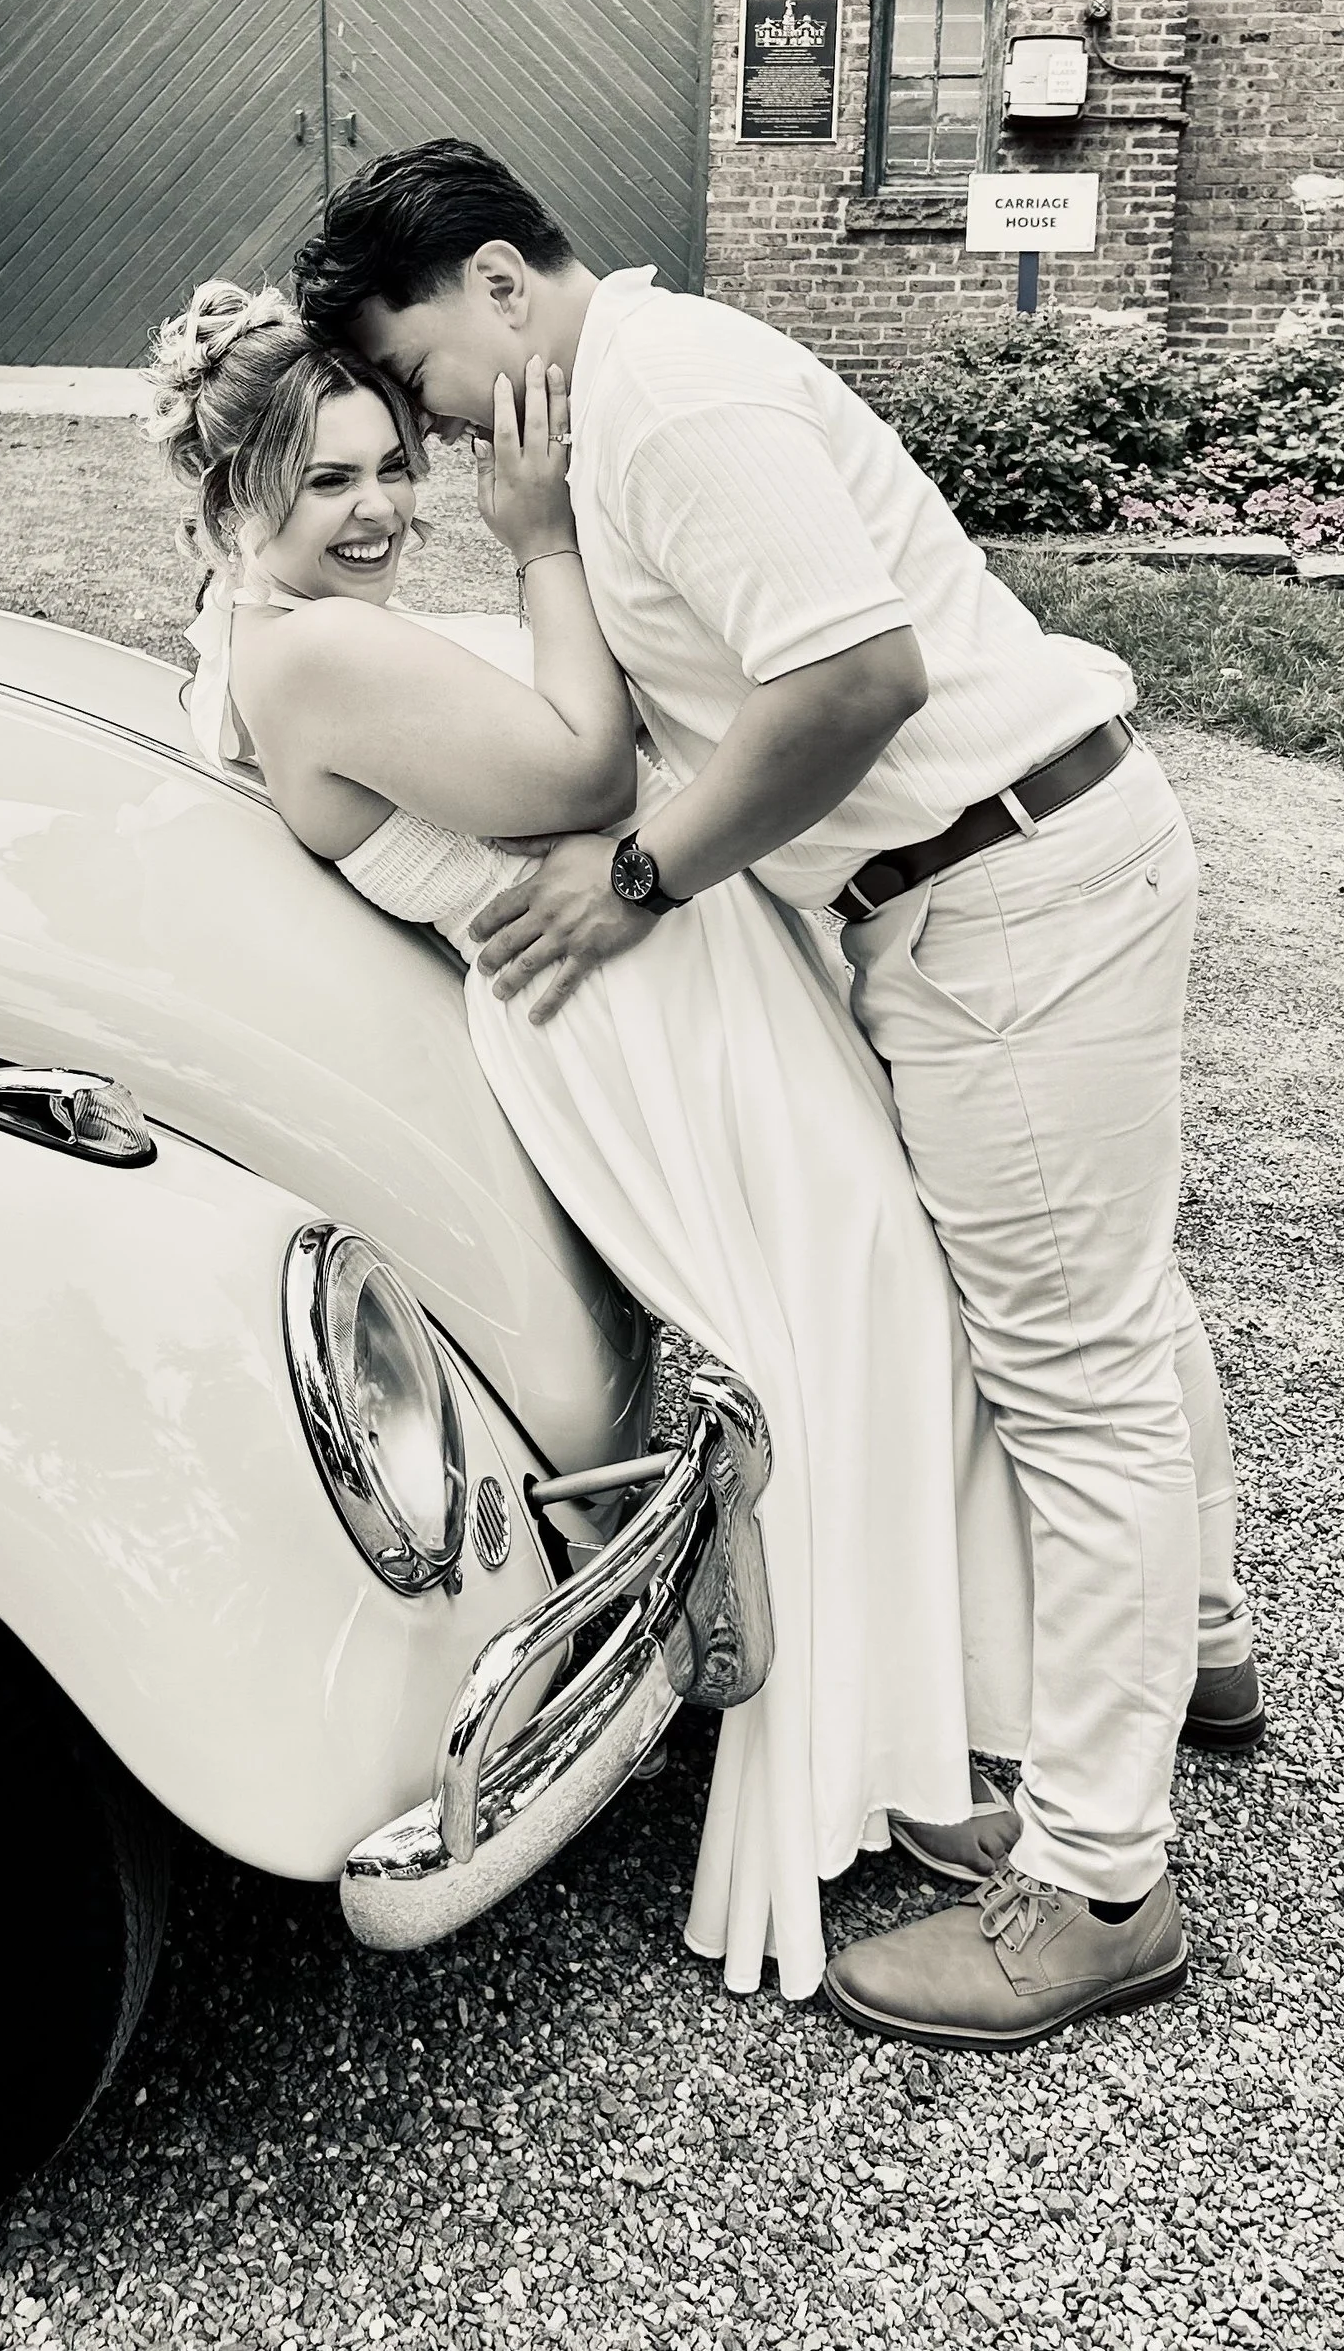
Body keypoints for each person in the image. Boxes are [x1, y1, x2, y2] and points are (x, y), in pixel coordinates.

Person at [290, 142, 1260, 2053]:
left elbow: (856, 682)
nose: (439, 435)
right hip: (981, 889)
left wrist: (642, 874)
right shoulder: (628, 409)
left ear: (503, 283)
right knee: (1109, 1309)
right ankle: (1189, 1648)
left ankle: (1096, 1886)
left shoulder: (666, 409)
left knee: (1066, 1362)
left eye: (426, 385)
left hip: (1000, 889)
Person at [145, 278, 1037, 2005]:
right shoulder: (307, 646)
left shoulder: (260, 616)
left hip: (664, 983)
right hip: (638, 1020)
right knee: (859, 1322)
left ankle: (943, 1721)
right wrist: (544, 541)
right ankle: (913, 1770)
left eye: (391, 462)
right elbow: (577, 770)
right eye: (328, 483)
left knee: (877, 1315)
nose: (385, 507)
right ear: (231, 496)